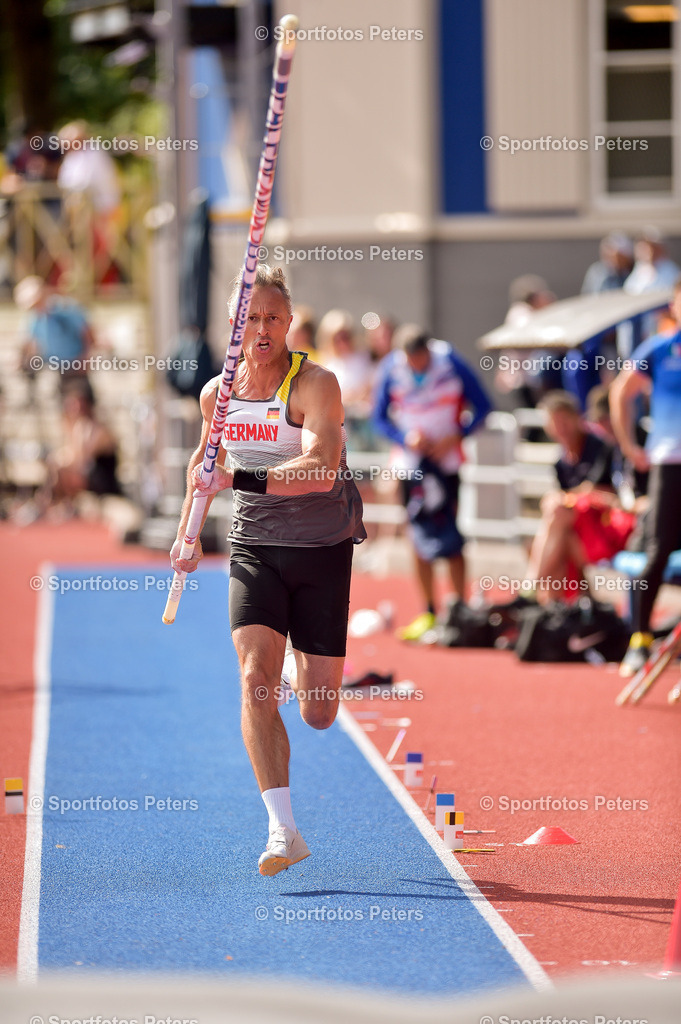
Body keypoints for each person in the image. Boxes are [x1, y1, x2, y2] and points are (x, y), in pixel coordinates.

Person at [170, 265, 366, 876]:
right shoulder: (217, 394)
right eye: (250, 317)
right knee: (255, 679)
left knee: (318, 712)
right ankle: (283, 830)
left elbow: (322, 469)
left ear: (289, 322)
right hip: (254, 547)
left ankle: (298, 670)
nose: (261, 328)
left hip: (322, 548)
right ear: (234, 323)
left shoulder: (315, 385)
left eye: (272, 318)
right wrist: (186, 532)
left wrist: (239, 477)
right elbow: (204, 466)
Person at [373, 324, 492, 641]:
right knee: (417, 536)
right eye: (411, 360)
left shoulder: (451, 361)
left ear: (429, 349)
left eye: (421, 359)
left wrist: (457, 436)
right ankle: (428, 612)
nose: (417, 365)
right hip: (411, 467)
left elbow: (484, 406)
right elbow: (378, 418)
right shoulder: (390, 367)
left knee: (452, 534)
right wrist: (405, 438)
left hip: (447, 465)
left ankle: (460, 610)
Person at [610, 277, 681, 677]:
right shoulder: (658, 349)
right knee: (658, 551)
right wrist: (629, 445)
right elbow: (622, 393)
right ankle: (639, 639)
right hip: (669, 465)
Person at [525, 390, 641, 603]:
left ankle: (532, 590)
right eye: (554, 423)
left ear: (577, 418)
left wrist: (564, 498)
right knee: (554, 542)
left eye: (564, 421)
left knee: (557, 524)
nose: (561, 428)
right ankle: (564, 610)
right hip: (584, 529)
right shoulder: (561, 462)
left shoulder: (601, 447)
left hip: (610, 528)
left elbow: (600, 492)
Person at [14, 275, 96, 401]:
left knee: (80, 399)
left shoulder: (64, 308)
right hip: (56, 366)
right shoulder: (35, 317)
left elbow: (87, 332)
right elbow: (31, 341)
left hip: (75, 364)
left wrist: (86, 358)